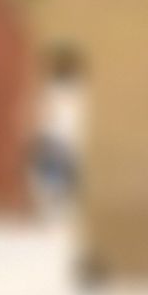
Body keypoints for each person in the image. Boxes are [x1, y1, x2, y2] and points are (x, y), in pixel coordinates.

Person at [27, 43, 88, 223]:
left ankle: (53, 217)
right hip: (57, 146)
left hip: (55, 146)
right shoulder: (71, 92)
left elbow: (48, 119)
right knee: (54, 193)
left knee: (53, 192)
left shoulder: (62, 93)